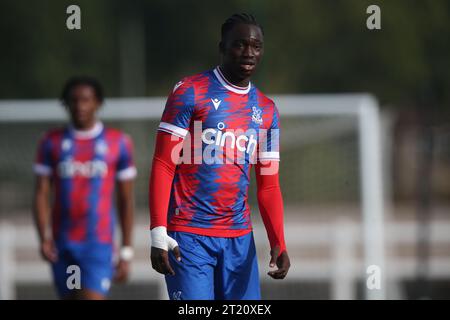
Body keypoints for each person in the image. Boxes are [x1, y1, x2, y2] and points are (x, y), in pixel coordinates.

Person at [149, 13, 290, 300]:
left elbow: (269, 185)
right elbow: (164, 163)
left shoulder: (267, 110)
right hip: (188, 236)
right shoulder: (190, 91)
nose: (249, 53)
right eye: (240, 44)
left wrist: (279, 242)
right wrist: (157, 232)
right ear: (222, 47)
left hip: (239, 240)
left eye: (257, 46)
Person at [32, 76, 136, 299]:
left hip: (98, 245)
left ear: (97, 102)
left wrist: (126, 251)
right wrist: (43, 237)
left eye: (86, 100)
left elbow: (126, 200)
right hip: (65, 245)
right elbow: (41, 193)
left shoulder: (118, 142)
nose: (80, 106)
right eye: (74, 100)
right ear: (66, 103)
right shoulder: (52, 142)